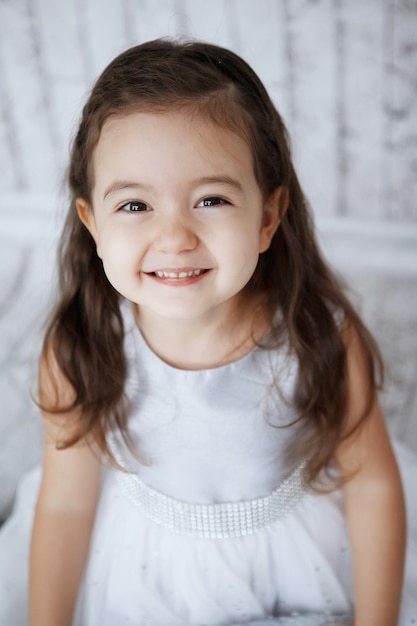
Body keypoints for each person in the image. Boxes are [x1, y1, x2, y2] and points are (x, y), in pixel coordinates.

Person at [0, 39, 416, 626]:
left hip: (295, 566)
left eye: (211, 199)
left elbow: (371, 486)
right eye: (136, 206)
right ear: (91, 221)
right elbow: (68, 504)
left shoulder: (314, 337)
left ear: (268, 218)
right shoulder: (80, 349)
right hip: (146, 581)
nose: (175, 237)